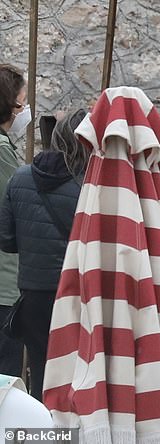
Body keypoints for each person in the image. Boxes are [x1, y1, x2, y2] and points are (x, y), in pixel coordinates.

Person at [0, 109, 89, 401]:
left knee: (40, 372)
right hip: (76, 293)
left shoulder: (20, 177)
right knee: (78, 375)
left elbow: (6, 240)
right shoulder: (88, 187)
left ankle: (41, 424)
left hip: (33, 293)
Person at [0, 64, 28, 378]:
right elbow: (10, 212)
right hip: (4, 280)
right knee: (6, 378)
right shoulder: (1, 151)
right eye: (23, 102)